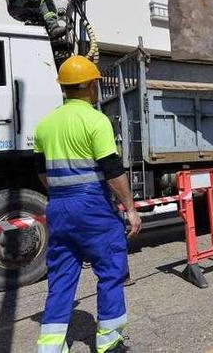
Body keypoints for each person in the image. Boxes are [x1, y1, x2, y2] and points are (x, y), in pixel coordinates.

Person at [33, 55, 141, 353]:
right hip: (92, 207)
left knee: (62, 276)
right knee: (110, 271)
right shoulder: (96, 120)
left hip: (58, 207)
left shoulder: (44, 125)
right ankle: (109, 342)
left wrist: (61, 192)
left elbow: (41, 171)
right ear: (92, 86)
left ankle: (50, 347)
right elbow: (112, 171)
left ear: (65, 88)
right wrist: (130, 208)